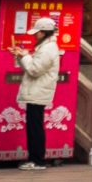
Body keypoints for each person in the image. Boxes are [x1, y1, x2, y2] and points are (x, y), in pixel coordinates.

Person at [15, 16, 62, 170]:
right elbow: (33, 67)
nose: (35, 35)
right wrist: (22, 56)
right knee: (34, 126)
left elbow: (35, 70)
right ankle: (35, 159)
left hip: (38, 91)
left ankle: (37, 160)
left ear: (43, 32)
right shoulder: (47, 46)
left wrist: (24, 56)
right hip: (37, 91)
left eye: (37, 32)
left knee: (35, 127)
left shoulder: (48, 48)